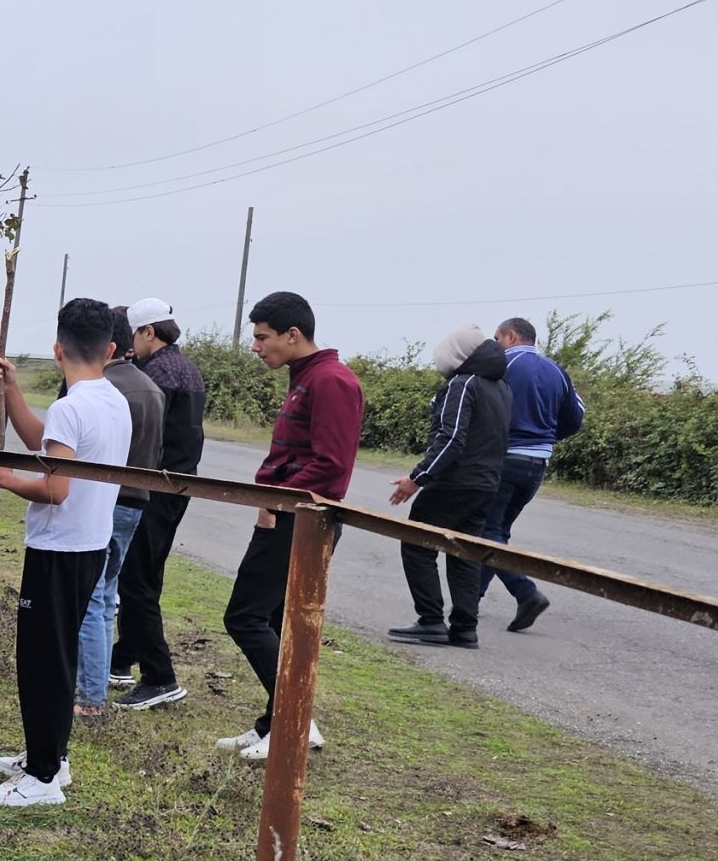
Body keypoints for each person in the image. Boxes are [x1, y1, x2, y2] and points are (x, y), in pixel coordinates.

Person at [0, 299, 133, 805]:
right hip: (90, 543)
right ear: (110, 350)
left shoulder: (73, 405)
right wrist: (14, 391)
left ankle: (42, 777)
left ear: (57, 347)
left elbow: (55, 488)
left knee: (44, 659)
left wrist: (5, 476)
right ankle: (51, 755)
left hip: (58, 547)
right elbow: (46, 444)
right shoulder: (110, 401)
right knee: (58, 651)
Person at [216, 291, 364, 762]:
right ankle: (276, 722)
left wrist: (276, 502)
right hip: (286, 515)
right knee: (277, 621)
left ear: (292, 335)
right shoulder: (306, 377)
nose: (256, 347)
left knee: (244, 617)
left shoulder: (331, 381)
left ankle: (297, 724)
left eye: (262, 337)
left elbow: (332, 466)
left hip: (301, 521)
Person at [388, 325, 511, 649]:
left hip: (455, 483)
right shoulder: (500, 387)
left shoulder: (464, 382)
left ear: (458, 355)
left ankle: (430, 621)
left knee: (417, 543)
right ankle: (464, 628)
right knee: (464, 553)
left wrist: (416, 478)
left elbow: (452, 438)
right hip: (486, 484)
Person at [110, 298, 205, 710]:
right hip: (177, 487)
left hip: (155, 486)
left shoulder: (157, 373)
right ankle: (121, 657)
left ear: (148, 332)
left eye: (133, 335)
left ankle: (160, 675)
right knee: (146, 574)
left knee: (136, 581)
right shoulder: (186, 367)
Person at [73, 309, 164, 716]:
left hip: (106, 499)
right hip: (137, 502)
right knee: (107, 594)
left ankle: (90, 694)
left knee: (92, 596)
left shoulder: (102, 388)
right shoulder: (151, 387)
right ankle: (102, 674)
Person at [476, 317, 586, 632]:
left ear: (511, 336)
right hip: (537, 464)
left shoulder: (500, 365)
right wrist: (546, 437)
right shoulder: (556, 371)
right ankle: (472, 598)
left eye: (496, 337)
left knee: (485, 530)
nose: (494, 344)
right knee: (498, 531)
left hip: (504, 458)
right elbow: (575, 417)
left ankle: (526, 593)